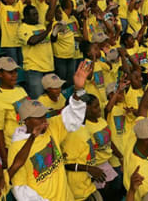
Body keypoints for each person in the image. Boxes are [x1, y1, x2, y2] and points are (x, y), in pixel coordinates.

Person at [7, 61, 91, 201]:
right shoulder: (17, 148)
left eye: (44, 115)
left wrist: (78, 89)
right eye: (38, 117)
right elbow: (20, 190)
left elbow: (73, 117)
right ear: (26, 121)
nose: (44, 120)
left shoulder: (50, 126)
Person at [0, 57, 28, 169]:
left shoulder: (20, 89)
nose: (15, 75)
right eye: (10, 72)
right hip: (12, 147)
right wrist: (5, 158)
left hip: (26, 141)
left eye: (15, 71)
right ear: (0, 74)